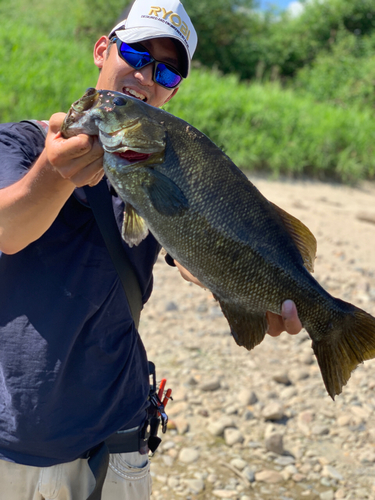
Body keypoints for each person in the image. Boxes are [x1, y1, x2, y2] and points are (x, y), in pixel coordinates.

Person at [0, 0, 302, 498]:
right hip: (12, 435)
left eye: (165, 71)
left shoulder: (159, 163)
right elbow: (9, 228)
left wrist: (249, 290)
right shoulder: (21, 145)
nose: (146, 75)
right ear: (103, 49)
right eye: (138, 55)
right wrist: (53, 174)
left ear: (173, 90)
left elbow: (189, 256)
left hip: (115, 439)